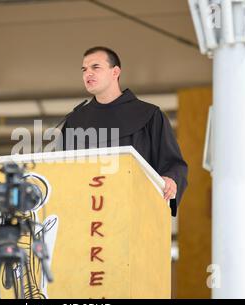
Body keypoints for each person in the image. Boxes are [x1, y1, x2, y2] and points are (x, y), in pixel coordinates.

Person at [60, 46, 188, 216]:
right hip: (85, 216)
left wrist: (170, 179)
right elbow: (62, 172)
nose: (87, 74)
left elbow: (173, 164)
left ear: (115, 72)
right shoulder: (74, 121)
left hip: (135, 213)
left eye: (95, 67)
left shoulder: (149, 115)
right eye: (84, 70)